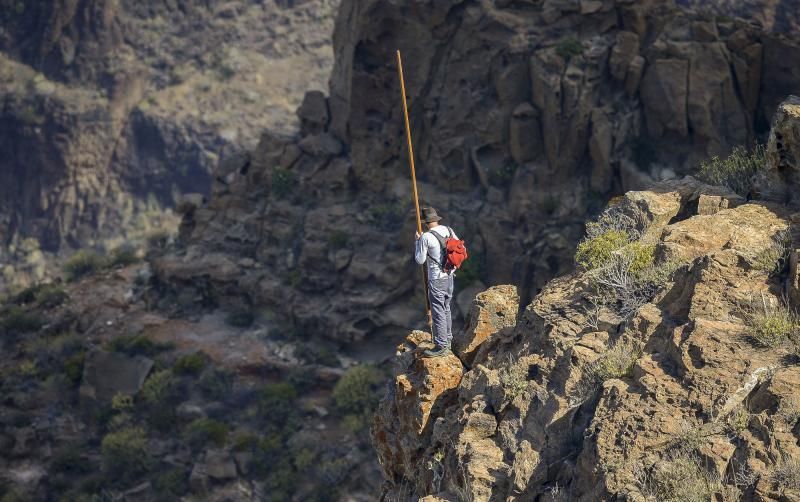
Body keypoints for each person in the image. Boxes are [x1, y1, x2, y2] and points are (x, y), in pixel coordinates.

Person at [414, 206, 459, 357]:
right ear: (436, 219)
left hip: (436, 279)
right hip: (450, 276)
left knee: (438, 310)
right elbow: (460, 247)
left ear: (426, 222)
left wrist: (418, 242)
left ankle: (441, 345)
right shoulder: (449, 230)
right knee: (446, 308)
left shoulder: (426, 237)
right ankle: (448, 339)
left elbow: (420, 260)